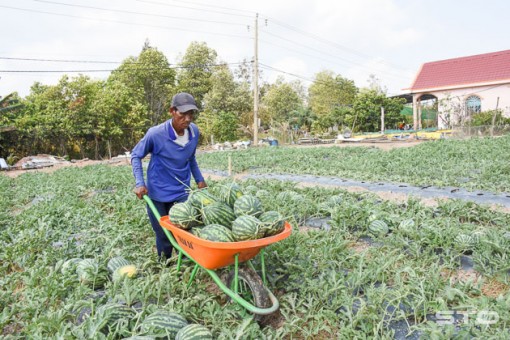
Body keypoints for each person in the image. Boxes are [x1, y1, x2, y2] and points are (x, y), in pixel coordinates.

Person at [131, 92, 207, 261]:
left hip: (182, 192)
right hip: (158, 192)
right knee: (164, 234)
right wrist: (139, 182)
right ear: (172, 111)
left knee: (184, 233)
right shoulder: (155, 134)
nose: (187, 119)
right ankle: (164, 265)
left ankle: (185, 266)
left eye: (191, 114)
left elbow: (191, 157)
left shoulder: (193, 132)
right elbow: (136, 155)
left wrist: (199, 180)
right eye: (182, 113)